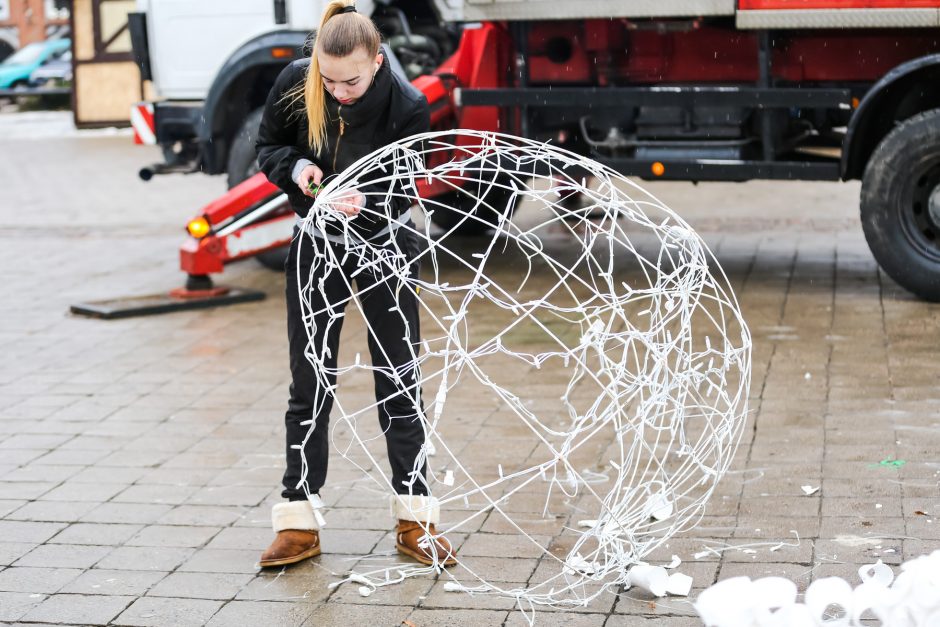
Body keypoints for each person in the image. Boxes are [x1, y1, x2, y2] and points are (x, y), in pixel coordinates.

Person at [255, 0, 455, 569]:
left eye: (352, 80)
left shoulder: (408, 103)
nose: (339, 90)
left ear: (377, 61)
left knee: (399, 378)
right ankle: (298, 516)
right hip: (314, 244)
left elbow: (409, 182)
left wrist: (369, 199)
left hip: (384, 245)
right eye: (328, 78)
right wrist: (297, 171)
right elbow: (269, 145)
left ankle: (416, 517)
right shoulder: (298, 80)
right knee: (310, 381)